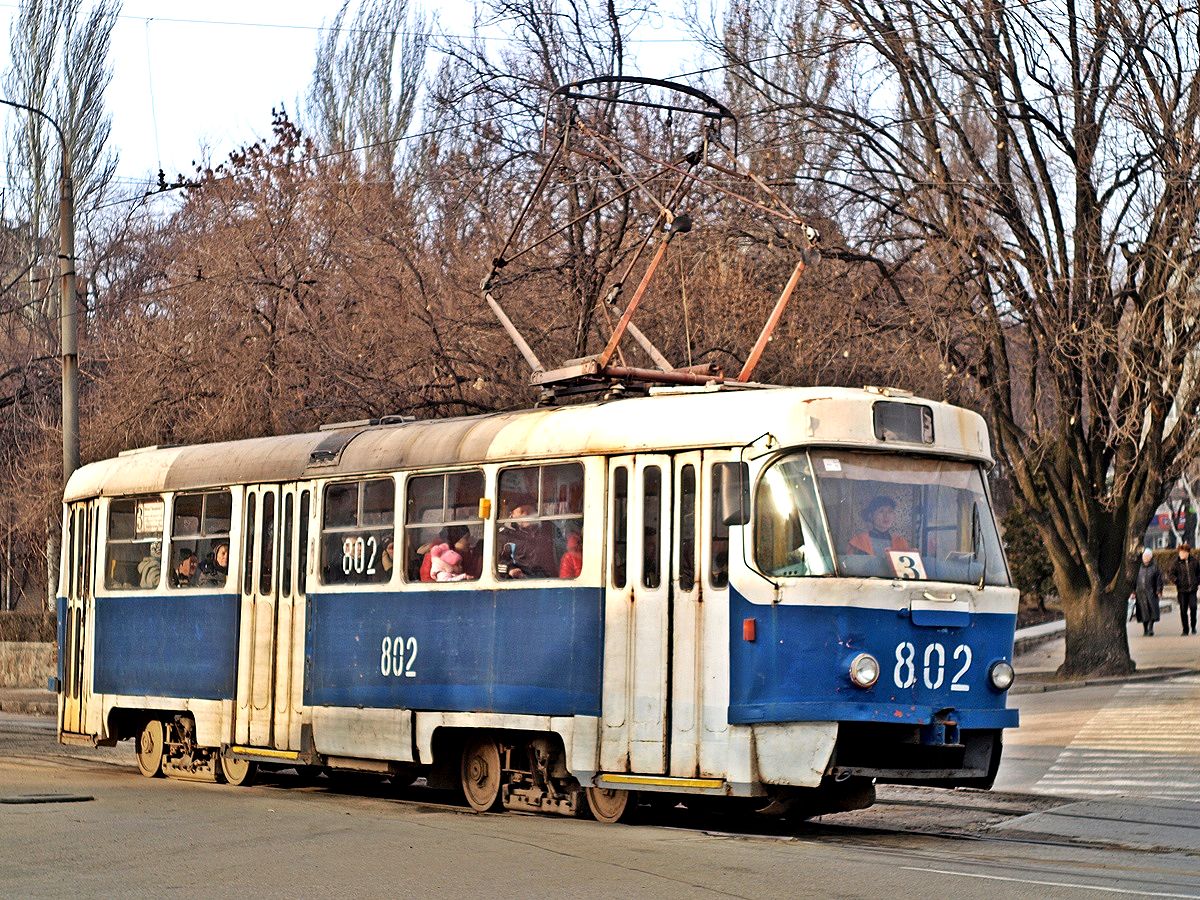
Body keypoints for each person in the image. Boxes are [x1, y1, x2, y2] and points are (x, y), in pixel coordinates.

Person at [497, 504, 555, 579]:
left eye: (529, 511)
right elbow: (498, 562)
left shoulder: (548, 528)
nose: (526, 515)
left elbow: (560, 550)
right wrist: (510, 570)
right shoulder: (504, 534)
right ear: (512, 514)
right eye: (522, 512)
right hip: (517, 582)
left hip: (547, 580)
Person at [847, 495, 912, 557]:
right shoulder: (859, 541)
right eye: (881, 511)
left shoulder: (901, 542)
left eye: (890, 511)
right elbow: (851, 565)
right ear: (871, 516)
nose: (886, 516)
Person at [1171, 542, 1200, 635]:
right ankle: (1185, 629)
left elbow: (1198, 573)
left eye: (1183, 552)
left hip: (1192, 589)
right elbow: (1171, 574)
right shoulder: (1176, 563)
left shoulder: (1194, 561)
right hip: (1182, 590)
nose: (1181, 554)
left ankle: (1193, 626)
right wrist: (1177, 581)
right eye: (1180, 552)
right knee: (1183, 610)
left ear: (1187, 552)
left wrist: (1197, 581)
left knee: (1193, 607)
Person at [1134, 548, 1163, 636]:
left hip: (1151, 592)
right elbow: (1133, 580)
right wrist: (1133, 591)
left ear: (1150, 557)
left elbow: (1159, 580)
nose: (1145, 558)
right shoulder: (1138, 567)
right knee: (1143, 612)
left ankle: (1150, 628)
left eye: (1147, 556)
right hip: (1140, 593)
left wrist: (1159, 590)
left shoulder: (1155, 567)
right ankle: (1145, 629)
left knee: (1152, 611)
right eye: (1144, 556)